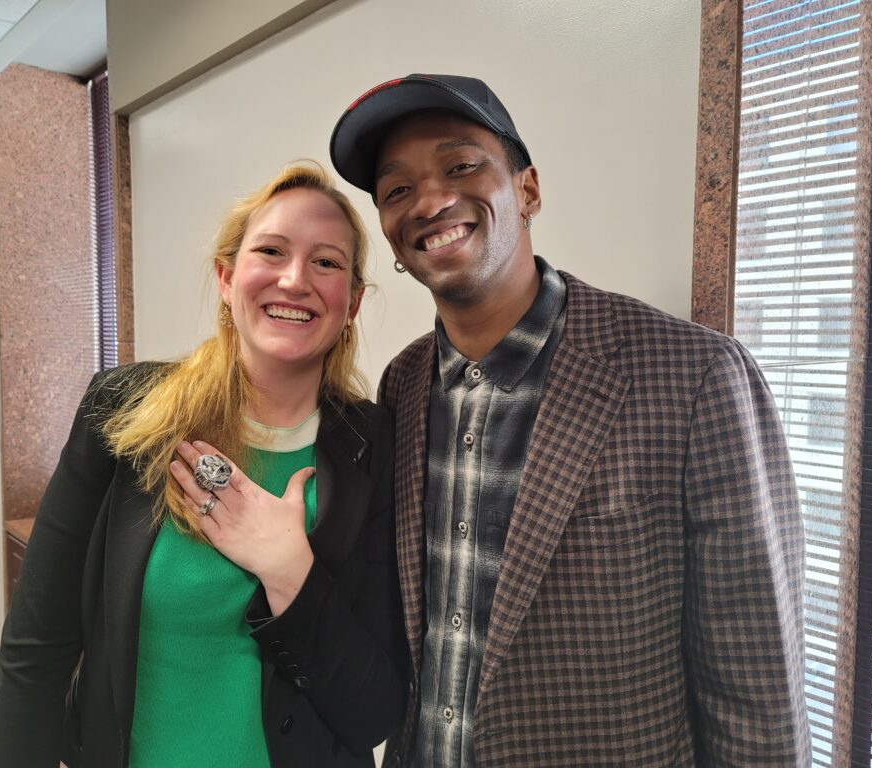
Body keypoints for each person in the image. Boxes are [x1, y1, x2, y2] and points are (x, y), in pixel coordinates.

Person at [329, 74, 811, 767]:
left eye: (460, 165)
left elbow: (757, 685)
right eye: (397, 190)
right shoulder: (401, 386)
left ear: (527, 190)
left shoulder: (693, 376)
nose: (429, 201)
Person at [0, 163, 406, 768]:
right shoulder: (127, 411)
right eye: (272, 251)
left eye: (327, 262)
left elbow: (374, 710)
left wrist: (290, 572)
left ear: (353, 302)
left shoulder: (377, 445)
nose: (294, 279)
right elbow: (37, 647)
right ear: (228, 278)